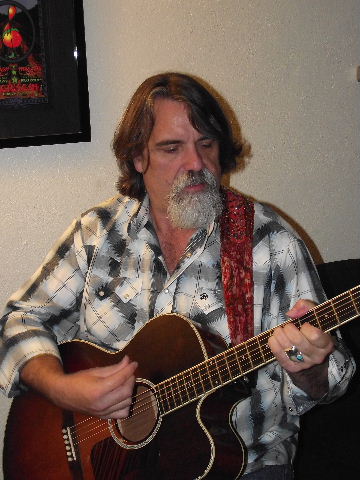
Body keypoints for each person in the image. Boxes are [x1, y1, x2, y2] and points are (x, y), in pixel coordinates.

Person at [0, 72, 355, 479]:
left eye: (207, 144)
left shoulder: (269, 243)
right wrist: (63, 389)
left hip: (238, 466)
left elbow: (331, 377)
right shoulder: (97, 234)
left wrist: (307, 365)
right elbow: (18, 320)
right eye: (172, 148)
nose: (196, 164)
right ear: (138, 157)